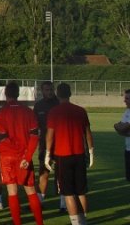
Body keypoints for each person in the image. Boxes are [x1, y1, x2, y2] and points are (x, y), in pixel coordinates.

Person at [0, 81, 44, 225]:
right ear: (18, 93)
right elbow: (35, 136)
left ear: (6, 94)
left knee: (12, 191)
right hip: (24, 156)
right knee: (31, 191)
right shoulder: (28, 112)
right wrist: (27, 157)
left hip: (7, 156)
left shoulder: (1, 113)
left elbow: (2, 137)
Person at [45, 82, 94, 225]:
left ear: (57, 94)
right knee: (81, 191)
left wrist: (48, 154)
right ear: (70, 94)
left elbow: (50, 135)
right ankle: (83, 221)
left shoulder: (54, 111)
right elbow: (88, 133)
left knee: (68, 192)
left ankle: (75, 223)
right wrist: (91, 151)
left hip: (62, 155)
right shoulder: (81, 110)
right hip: (79, 154)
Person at [33, 80, 59, 202]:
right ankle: (40, 200)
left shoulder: (59, 104)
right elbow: (34, 125)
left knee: (61, 172)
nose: (49, 92)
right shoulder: (38, 106)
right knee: (44, 171)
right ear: (42, 91)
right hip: (44, 143)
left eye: (51, 89)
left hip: (59, 143)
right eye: (47, 90)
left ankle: (63, 203)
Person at [113, 89, 130, 182]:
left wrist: (121, 128)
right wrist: (121, 128)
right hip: (128, 150)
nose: (124, 100)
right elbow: (119, 127)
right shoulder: (127, 111)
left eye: (127, 98)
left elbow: (122, 128)